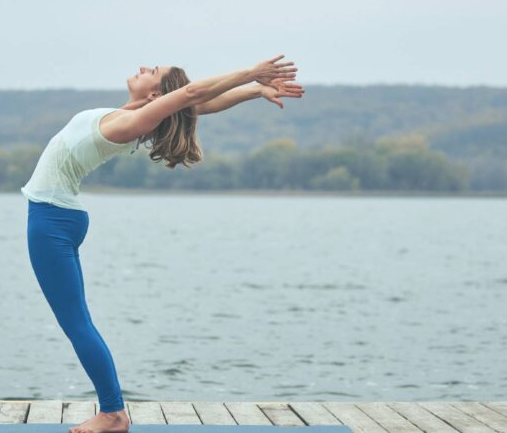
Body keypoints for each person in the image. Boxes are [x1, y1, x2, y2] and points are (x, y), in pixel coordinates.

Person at [21, 55, 303, 433]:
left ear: (156, 93)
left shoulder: (133, 123)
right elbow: (197, 104)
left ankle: (113, 413)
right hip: (59, 217)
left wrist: (252, 73)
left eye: (151, 72)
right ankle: (112, 410)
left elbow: (191, 94)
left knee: (77, 324)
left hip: (51, 220)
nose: (142, 67)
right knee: (78, 321)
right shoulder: (136, 114)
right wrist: (252, 90)